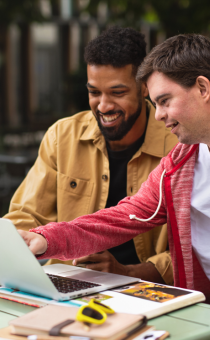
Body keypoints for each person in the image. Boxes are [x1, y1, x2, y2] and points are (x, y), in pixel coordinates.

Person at [6, 26, 177, 284]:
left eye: (117, 93)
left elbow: (193, 252)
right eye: (94, 92)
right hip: (63, 286)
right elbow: (23, 216)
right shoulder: (62, 136)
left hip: (145, 291)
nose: (104, 106)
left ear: (145, 87)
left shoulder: (178, 145)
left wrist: (128, 273)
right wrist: (22, 247)